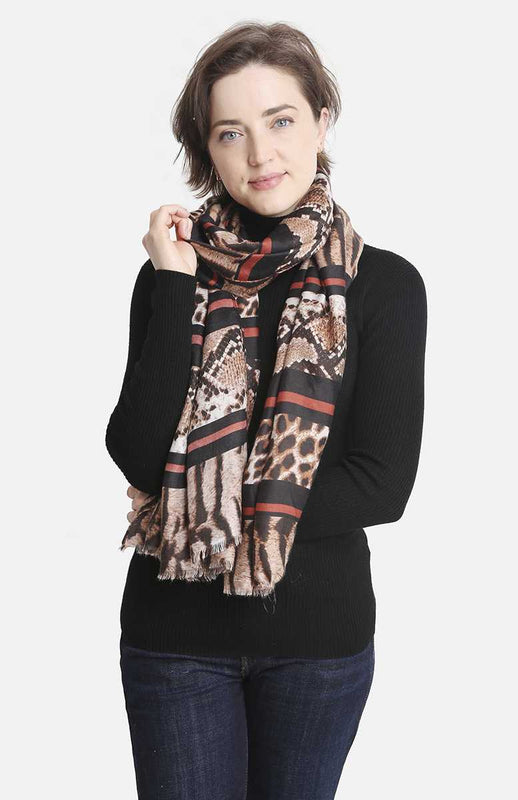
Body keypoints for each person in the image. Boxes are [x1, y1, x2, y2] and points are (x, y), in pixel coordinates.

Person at [105, 21, 427, 800]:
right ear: (206, 151)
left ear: (320, 120)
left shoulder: (383, 286)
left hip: (318, 644)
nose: (260, 154)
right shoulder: (171, 276)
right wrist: (175, 283)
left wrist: (201, 499)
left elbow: (381, 484)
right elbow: (137, 452)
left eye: (280, 121)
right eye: (230, 132)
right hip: (174, 639)